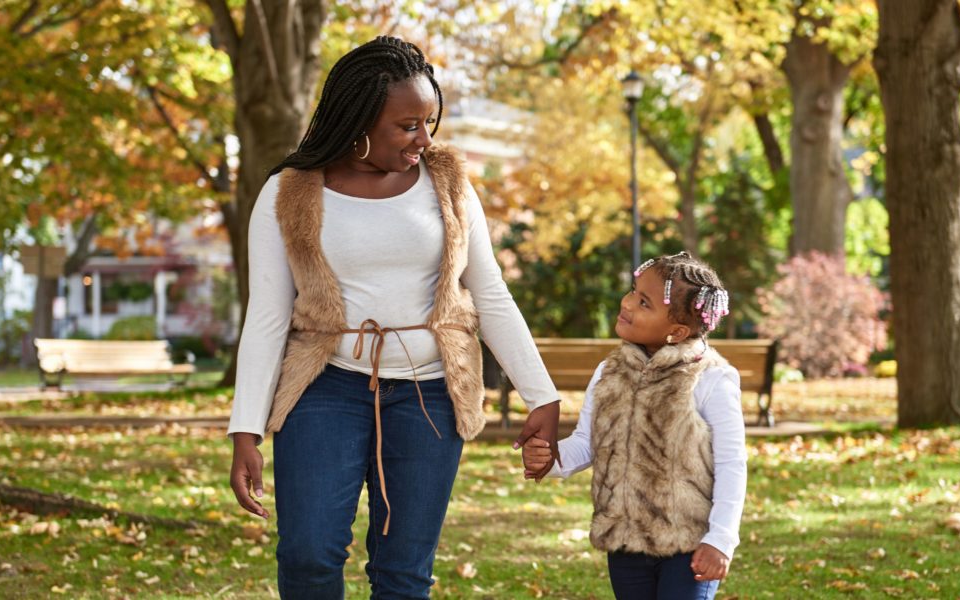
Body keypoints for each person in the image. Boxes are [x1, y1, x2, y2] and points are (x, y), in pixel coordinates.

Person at [226, 36, 561, 599]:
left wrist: (542, 395)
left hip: (430, 395)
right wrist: (245, 430)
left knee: (404, 573)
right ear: (358, 120)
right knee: (308, 554)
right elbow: (266, 317)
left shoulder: (448, 182)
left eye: (430, 122)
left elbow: (491, 291)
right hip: (323, 388)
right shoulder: (287, 192)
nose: (423, 139)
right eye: (408, 126)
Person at [522, 252, 747, 600]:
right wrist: (551, 459)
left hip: (688, 545)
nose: (627, 303)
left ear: (676, 331)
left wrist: (720, 540)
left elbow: (732, 465)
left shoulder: (711, 379)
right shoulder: (609, 372)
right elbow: (588, 441)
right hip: (625, 543)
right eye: (633, 291)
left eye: (644, 302)